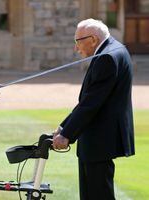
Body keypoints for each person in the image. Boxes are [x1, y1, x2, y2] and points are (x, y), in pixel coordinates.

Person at [52, 19, 135, 200]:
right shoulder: (114, 49)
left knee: (98, 194)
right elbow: (90, 100)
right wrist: (64, 126)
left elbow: (91, 103)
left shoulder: (107, 57)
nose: (76, 48)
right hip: (99, 137)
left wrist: (67, 135)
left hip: (100, 138)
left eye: (78, 41)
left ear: (93, 39)